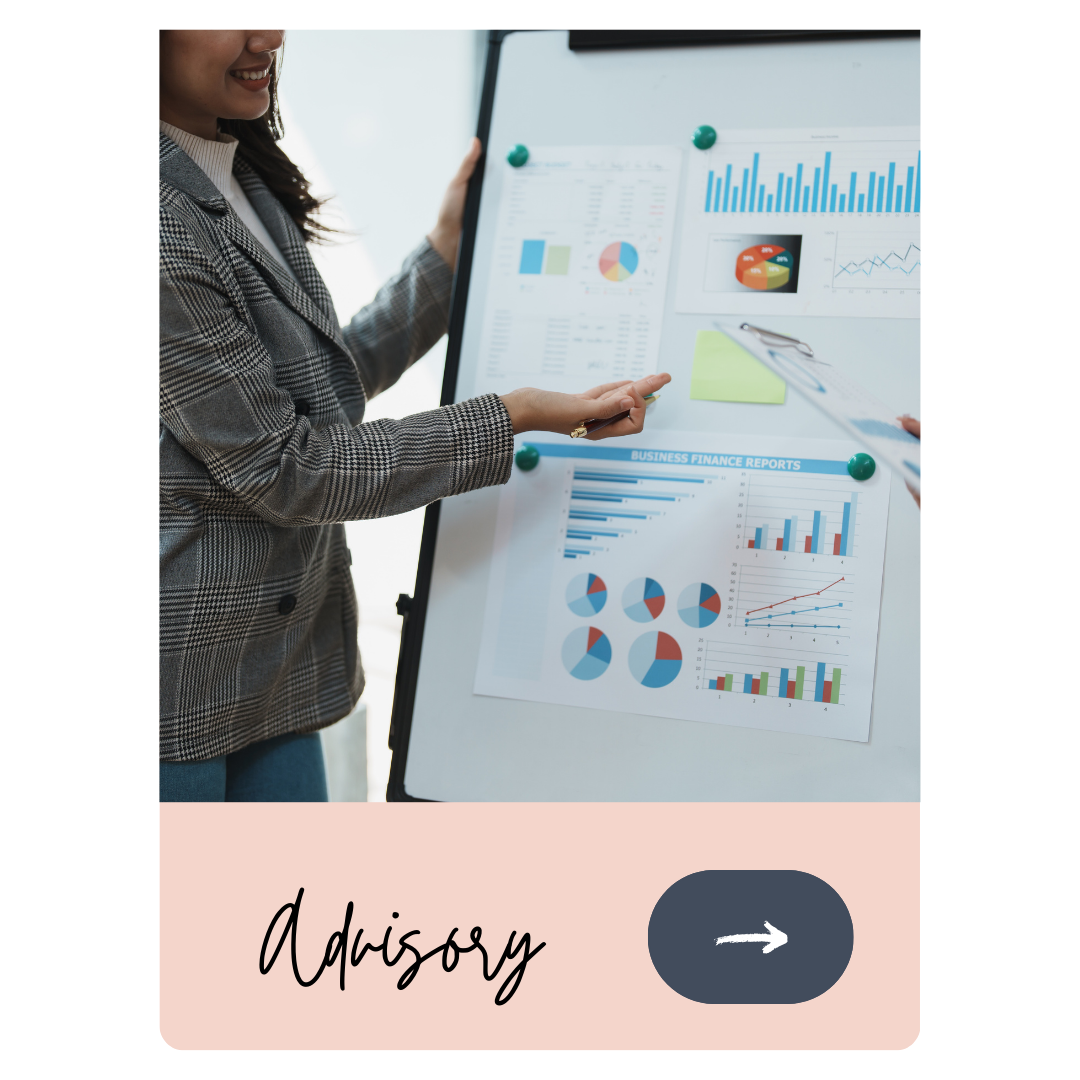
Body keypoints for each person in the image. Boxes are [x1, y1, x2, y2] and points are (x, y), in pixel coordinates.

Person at [159, 30, 670, 802]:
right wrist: (512, 416)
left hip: (273, 674)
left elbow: (310, 394)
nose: (267, 34)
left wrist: (445, 254)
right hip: (177, 691)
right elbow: (287, 467)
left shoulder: (239, 172)